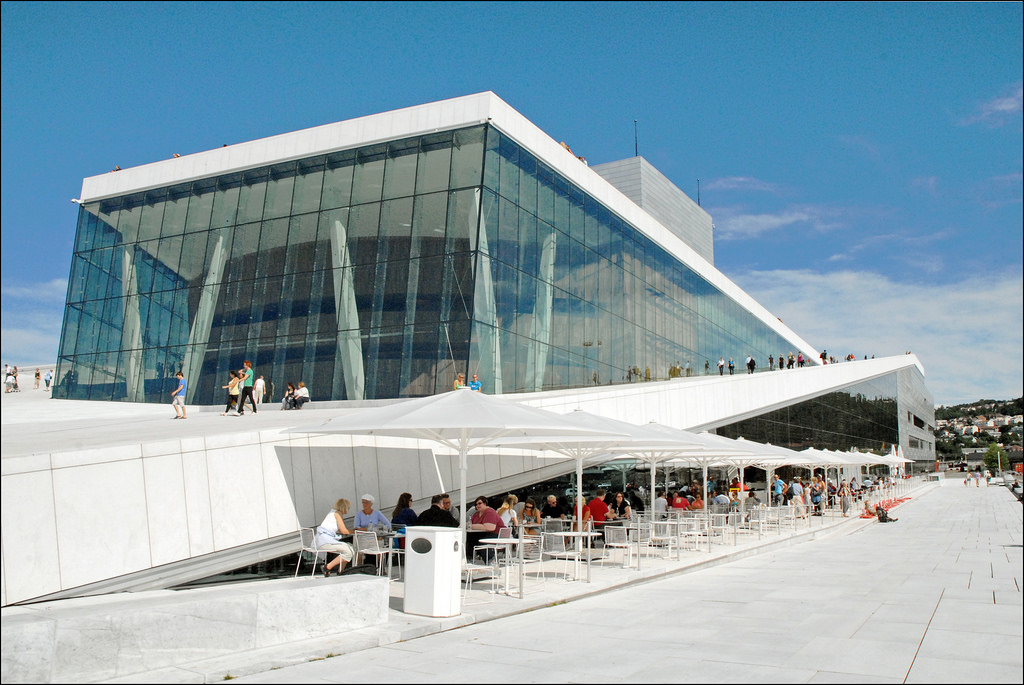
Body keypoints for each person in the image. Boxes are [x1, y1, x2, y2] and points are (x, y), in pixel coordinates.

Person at [316, 498, 355, 576]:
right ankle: (327, 567)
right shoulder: (337, 514)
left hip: (322, 541)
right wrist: (355, 531)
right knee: (349, 551)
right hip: (325, 542)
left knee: (350, 547)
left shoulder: (332, 513)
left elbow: (340, 530)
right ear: (345, 507)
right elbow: (344, 531)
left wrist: (349, 531)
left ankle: (341, 571)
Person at [466, 496, 506, 561]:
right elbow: (469, 523)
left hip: (496, 535)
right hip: (482, 534)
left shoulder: (490, 512)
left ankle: (490, 560)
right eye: (476, 504)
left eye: (479, 503)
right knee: (469, 538)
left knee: (481, 542)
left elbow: (490, 527)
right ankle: (469, 558)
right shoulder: (476, 514)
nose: (477, 506)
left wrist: (471, 526)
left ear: (485, 503)